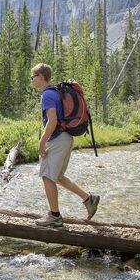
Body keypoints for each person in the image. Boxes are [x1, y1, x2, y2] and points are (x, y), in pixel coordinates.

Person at [30, 63, 100, 227]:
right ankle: (89, 199)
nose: (32, 81)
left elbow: (52, 121)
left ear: (41, 77)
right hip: (67, 137)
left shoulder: (47, 95)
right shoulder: (56, 91)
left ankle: (54, 216)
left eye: (33, 77)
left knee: (47, 177)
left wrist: (42, 142)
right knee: (58, 177)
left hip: (57, 139)